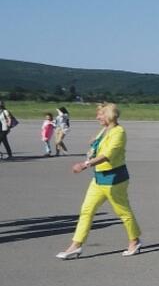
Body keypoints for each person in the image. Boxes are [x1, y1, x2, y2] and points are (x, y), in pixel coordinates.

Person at [56, 103, 141, 259]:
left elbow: (108, 155)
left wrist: (85, 164)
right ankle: (76, 245)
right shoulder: (105, 130)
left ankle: (134, 241)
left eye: (100, 114)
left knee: (123, 211)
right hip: (99, 178)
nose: (97, 117)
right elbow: (97, 147)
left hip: (114, 179)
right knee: (86, 210)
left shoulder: (119, 132)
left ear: (109, 115)